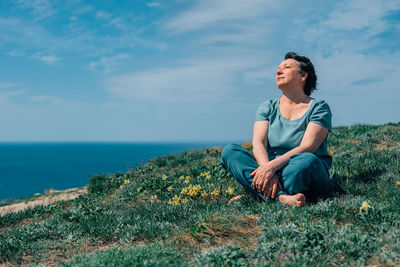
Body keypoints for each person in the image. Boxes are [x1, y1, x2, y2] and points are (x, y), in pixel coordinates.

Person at [221, 52, 332, 207]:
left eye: (286, 67)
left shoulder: (319, 108)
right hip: (269, 167)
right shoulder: (268, 106)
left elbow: (308, 147)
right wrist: (267, 169)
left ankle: (258, 192)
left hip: (301, 169)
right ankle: (281, 197)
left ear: (303, 75)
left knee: (307, 161)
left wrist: (272, 168)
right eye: (278, 69)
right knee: (230, 152)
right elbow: (258, 143)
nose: (278, 71)